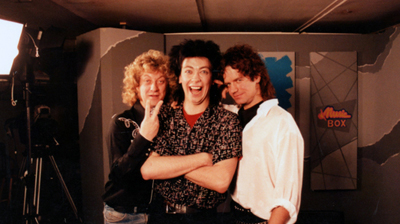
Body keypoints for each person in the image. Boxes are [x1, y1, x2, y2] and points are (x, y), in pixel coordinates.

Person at [141, 39, 242, 224]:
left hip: (204, 218)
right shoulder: (163, 116)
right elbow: (148, 169)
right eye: (188, 71)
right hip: (161, 216)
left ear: (212, 79)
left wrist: (168, 164)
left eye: (203, 71)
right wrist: (203, 159)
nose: (195, 79)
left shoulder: (227, 121)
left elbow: (220, 181)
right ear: (179, 77)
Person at [221, 44, 304, 224]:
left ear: (257, 76)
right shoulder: (229, 116)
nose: (233, 89)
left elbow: (287, 197)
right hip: (234, 214)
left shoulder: (281, 122)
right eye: (228, 84)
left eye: (239, 80)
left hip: (265, 219)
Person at [101, 49, 176, 224]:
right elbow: (118, 174)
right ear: (136, 87)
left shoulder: (170, 121)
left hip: (158, 214)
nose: (154, 88)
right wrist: (143, 137)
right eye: (147, 81)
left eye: (160, 81)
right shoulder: (120, 122)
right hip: (124, 215)